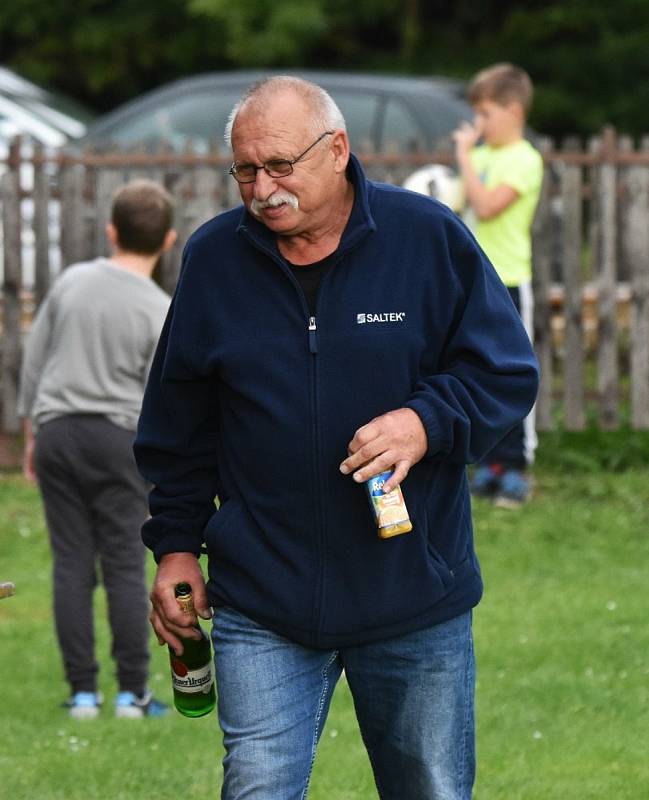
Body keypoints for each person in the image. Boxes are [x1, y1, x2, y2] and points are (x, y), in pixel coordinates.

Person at [134, 76, 539, 799]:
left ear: (337, 150)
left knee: (431, 790)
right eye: (245, 170)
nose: (262, 188)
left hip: (412, 593)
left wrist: (424, 420)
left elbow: (504, 372)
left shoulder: (427, 237)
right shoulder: (214, 260)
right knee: (256, 786)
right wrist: (173, 547)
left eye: (280, 165)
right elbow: (180, 426)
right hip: (263, 598)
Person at [18, 179, 175, 719]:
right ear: (169, 239)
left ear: (111, 230)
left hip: (58, 431)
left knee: (71, 563)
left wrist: (33, 434)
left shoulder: (71, 282)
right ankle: (133, 694)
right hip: (118, 439)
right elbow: (162, 396)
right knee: (126, 565)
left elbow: (35, 362)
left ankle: (82, 693)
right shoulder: (160, 309)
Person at [453, 63, 544, 508]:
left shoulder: (524, 159)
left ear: (514, 109)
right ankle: (489, 462)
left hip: (509, 279)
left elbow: (487, 207)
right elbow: (456, 206)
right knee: (477, 371)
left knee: (514, 372)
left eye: (486, 114)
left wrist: (466, 157)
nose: (479, 125)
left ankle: (518, 469)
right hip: (475, 280)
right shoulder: (484, 156)